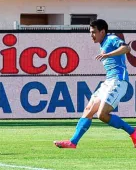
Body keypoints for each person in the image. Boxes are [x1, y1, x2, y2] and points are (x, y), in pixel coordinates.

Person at [54, 19, 136, 148]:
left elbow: (126, 48)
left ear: (102, 31)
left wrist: (108, 54)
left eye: (94, 32)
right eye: (90, 32)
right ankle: (73, 142)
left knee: (102, 115)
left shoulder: (111, 38)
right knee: (89, 109)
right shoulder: (103, 42)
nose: (91, 35)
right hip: (109, 82)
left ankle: (133, 131)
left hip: (118, 81)